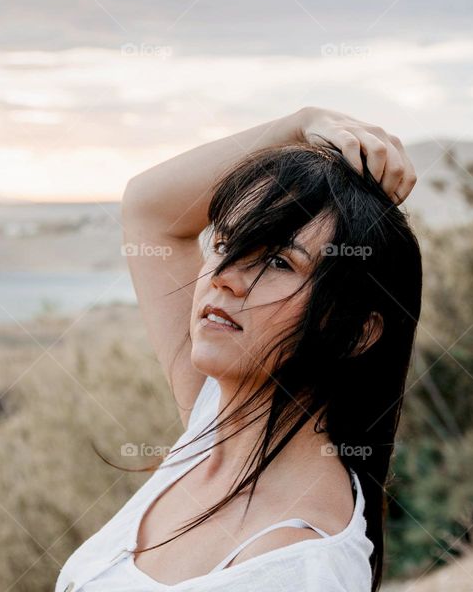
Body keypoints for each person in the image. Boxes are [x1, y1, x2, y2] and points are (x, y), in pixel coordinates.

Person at [55, 107, 422, 592]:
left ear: (355, 332)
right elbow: (150, 208)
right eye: (226, 242)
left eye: (277, 262)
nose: (224, 277)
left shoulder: (297, 568)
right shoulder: (212, 423)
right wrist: (302, 124)